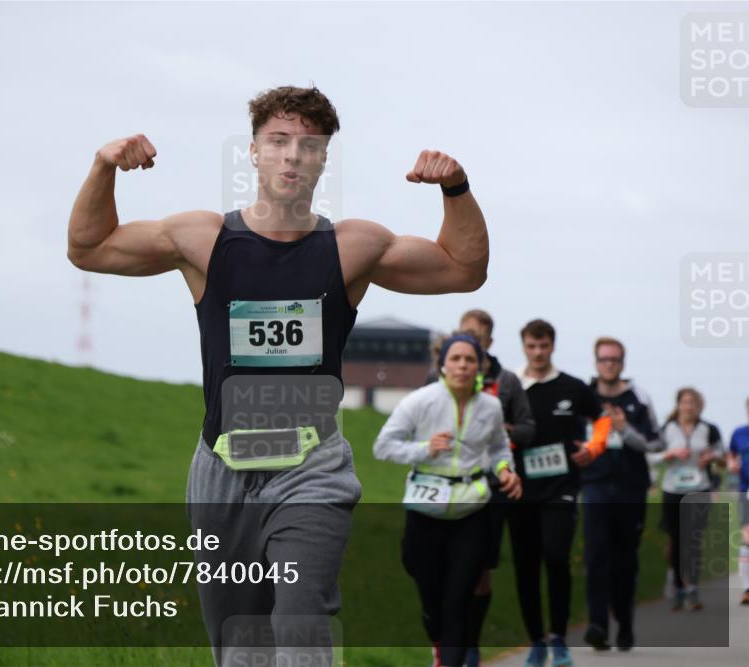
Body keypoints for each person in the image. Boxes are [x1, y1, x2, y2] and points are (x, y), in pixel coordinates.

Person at [66, 85, 491, 666]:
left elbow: (464, 270)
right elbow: (88, 248)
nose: (293, 155)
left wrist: (455, 187)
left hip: (311, 466)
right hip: (221, 470)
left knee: (299, 622)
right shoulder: (203, 238)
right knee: (240, 643)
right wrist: (102, 167)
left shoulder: (352, 246)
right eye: (279, 141)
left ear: (323, 160)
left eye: (308, 145)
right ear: (254, 152)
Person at [374, 333, 522, 667]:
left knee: (458, 599)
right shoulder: (420, 401)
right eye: (455, 359)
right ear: (443, 365)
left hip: (471, 511)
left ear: (480, 366)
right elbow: (382, 446)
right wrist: (424, 449)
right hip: (425, 510)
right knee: (432, 601)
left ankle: (450, 659)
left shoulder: (491, 405)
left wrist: (504, 471)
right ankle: (438, 642)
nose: (463, 365)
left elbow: (499, 447)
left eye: (470, 359)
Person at [424, 310, 535, 667]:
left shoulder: (507, 382)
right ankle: (445, 639)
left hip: (489, 488)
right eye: (462, 334)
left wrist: (504, 432)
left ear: (488, 343)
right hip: (442, 484)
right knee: (435, 564)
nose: (468, 342)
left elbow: (529, 428)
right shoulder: (435, 377)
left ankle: (467, 644)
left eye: (476, 337)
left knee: (479, 572)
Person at [511, 319, 611, 667]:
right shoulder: (512, 387)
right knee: (526, 566)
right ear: (524, 347)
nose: (538, 353)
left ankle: (559, 639)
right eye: (531, 346)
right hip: (519, 489)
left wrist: (595, 448)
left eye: (544, 346)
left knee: (555, 556)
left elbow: (603, 419)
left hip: (561, 488)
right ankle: (536, 640)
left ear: (552, 346)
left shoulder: (573, 386)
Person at [582, 337, 662, 650]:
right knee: (596, 554)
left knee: (624, 560)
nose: (609, 364)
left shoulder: (638, 398)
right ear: (596, 362)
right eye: (604, 359)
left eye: (615, 360)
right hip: (596, 485)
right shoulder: (585, 397)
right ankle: (597, 623)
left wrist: (624, 429)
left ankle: (625, 623)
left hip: (630, 488)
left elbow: (655, 443)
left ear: (623, 363)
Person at [648, 387, 723, 611]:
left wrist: (711, 456)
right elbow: (651, 457)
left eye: (693, 402)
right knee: (676, 540)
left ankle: (693, 588)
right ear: (678, 404)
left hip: (699, 489)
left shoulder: (709, 430)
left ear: (699, 406)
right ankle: (679, 586)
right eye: (685, 402)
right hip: (673, 489)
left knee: (694, 541)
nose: (688, 406)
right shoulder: (666, 429)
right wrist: (668, 455)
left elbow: (722, 456)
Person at [728, 397, 749, 606]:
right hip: (746, 491)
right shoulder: (739, 433)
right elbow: (731, 454)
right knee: (747, 539)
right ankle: (747, 589)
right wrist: (732, 463)